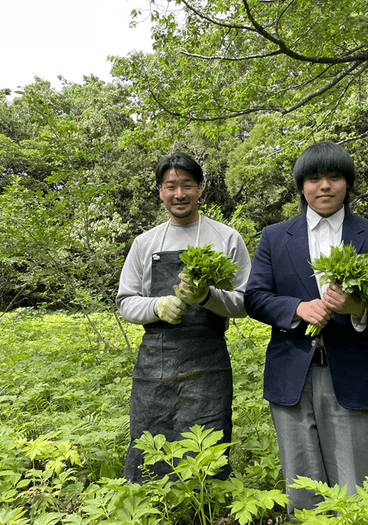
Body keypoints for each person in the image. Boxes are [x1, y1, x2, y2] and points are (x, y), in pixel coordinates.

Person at [244, 141, 368, 519]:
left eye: (334, 177)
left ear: (347, 184)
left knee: (357, 485)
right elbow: (254, 297)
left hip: (353, 371)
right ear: (301, 186)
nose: (324, 186)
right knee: (302, 486)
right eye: (314, 178)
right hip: (292, 374)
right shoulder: (274, 236)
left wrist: (357, 308)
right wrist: (297, 308)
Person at [116, 151, 251, 483]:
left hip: (208, 359)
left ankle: (207, 508)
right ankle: (153, 505)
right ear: (160, 191)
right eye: (170, 186)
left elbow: (246, 302)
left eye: (187, 185)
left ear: (201, 188)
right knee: (151, 436)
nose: (179, 194)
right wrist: (157, 307)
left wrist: (208, 296)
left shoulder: (226, 238)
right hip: (155, 360)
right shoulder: (145, 243)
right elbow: (125, 300)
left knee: (208, 439)